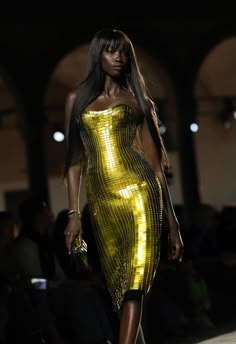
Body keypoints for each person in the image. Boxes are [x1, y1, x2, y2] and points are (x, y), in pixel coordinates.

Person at [63, 28, 184, 344]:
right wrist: (74, 214)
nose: (118, 57)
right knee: (118, 288)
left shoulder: (137, 100)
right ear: (98, 55)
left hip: (140, 194)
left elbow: (157, 166)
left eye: (124, 51)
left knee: (134, 282)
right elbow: (75, 161)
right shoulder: (76, 101)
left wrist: (172, 223)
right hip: (102, 202)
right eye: (111, 51)